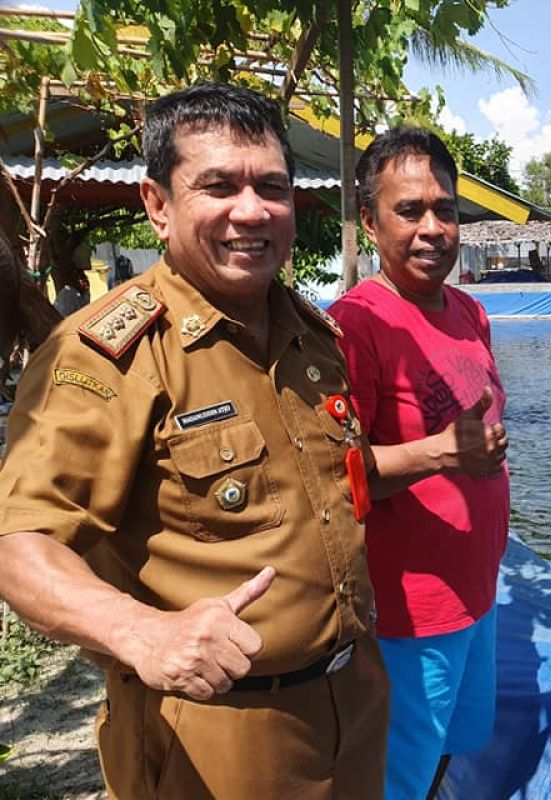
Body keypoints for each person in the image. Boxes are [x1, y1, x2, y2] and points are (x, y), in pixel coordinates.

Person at [0, 82, 388, 799]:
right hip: (217, 734)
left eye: (271, 186)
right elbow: (21, 546)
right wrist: (140, 632)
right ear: (157, 205)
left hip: (354, 705)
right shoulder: (104, 356)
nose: (251, 210)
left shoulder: (315, 339)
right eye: (218, 186)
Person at [328, 127, 509, 800]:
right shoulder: (355, 325)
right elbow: (332, 473)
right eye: (410, 211)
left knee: (448, 751)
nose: (434, 228)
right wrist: (441, 453)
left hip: (478, 594)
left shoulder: (471, 311)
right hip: (409, 614)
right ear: (371, 222)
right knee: (395, 771)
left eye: (446, 209)